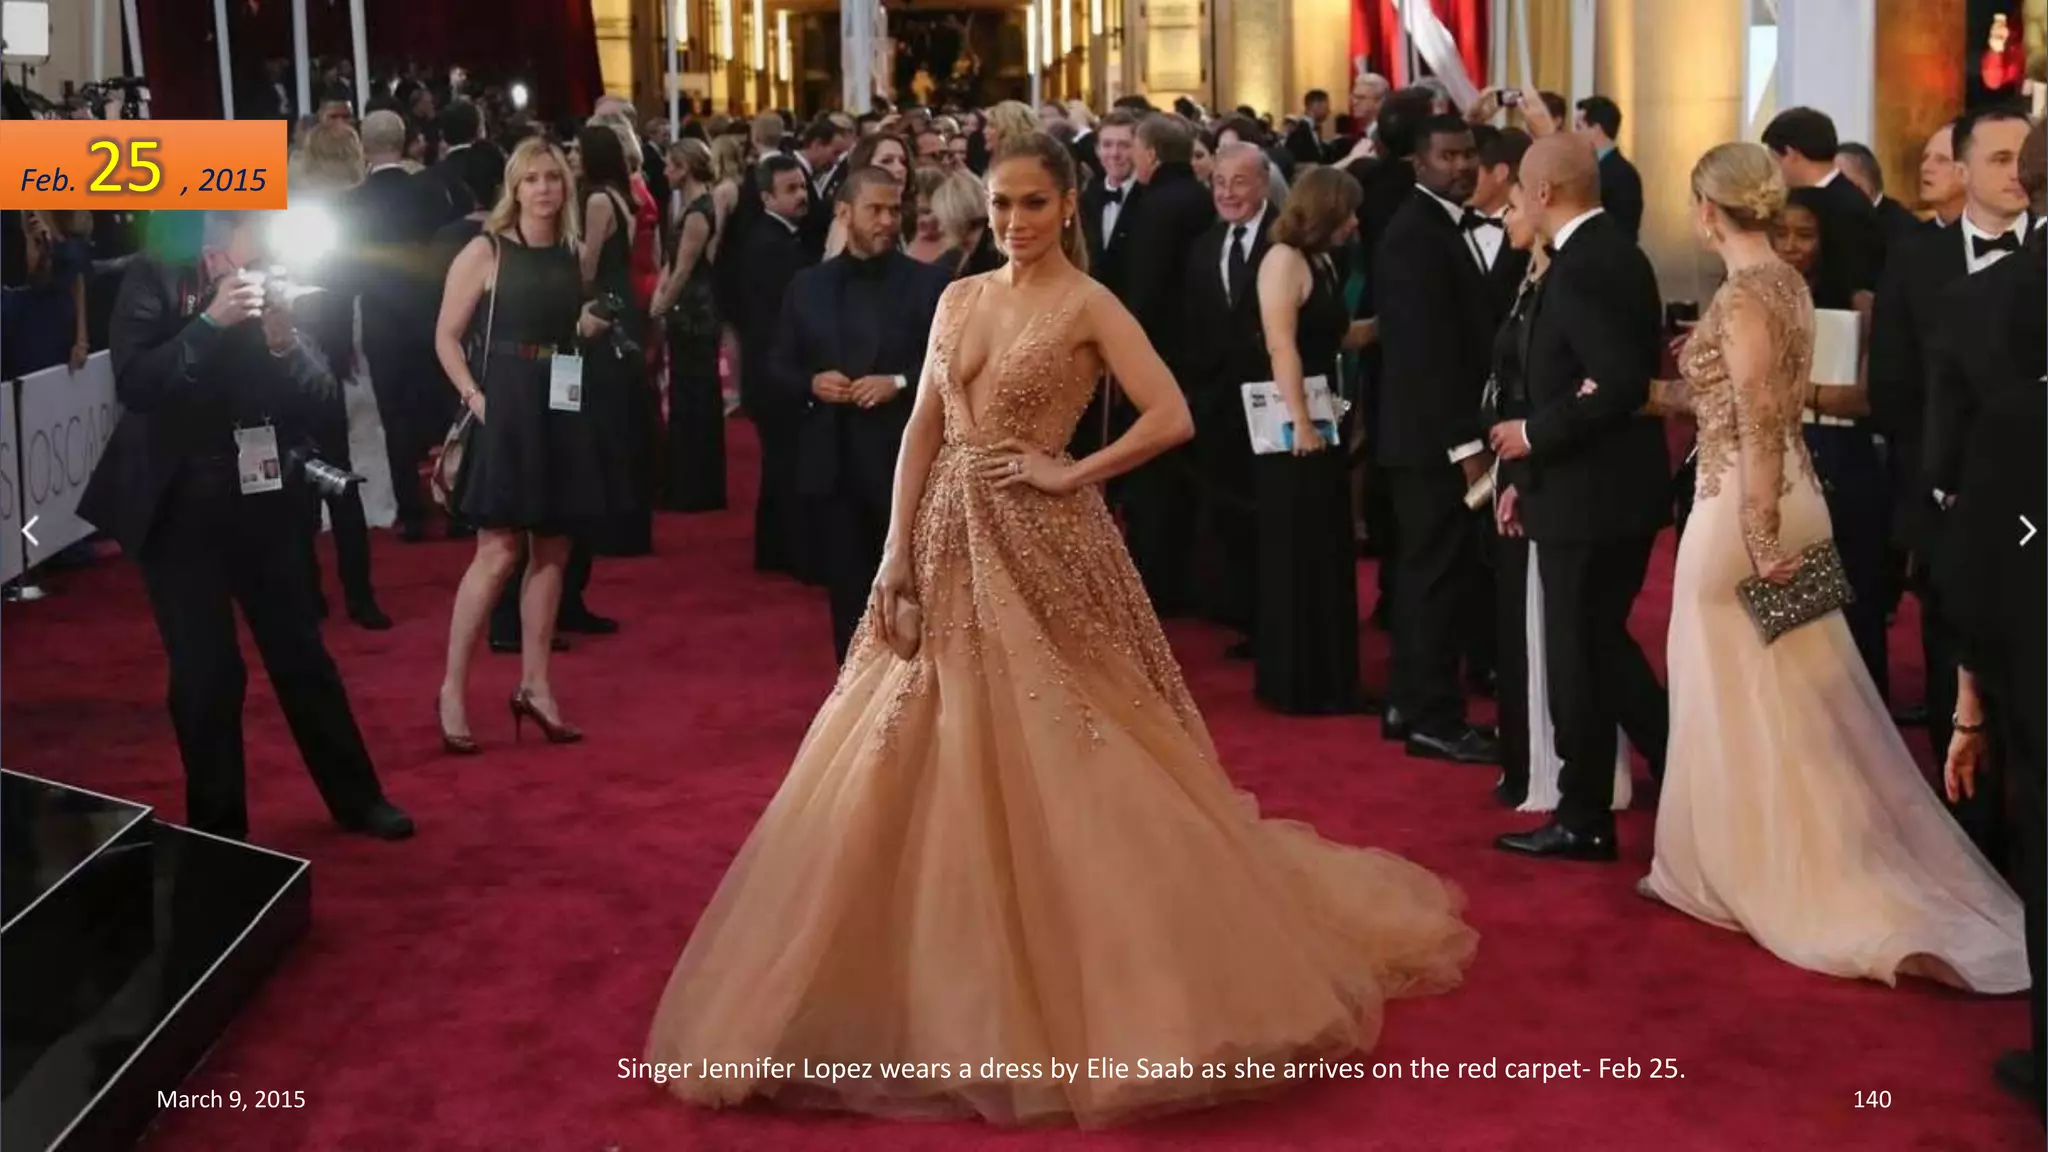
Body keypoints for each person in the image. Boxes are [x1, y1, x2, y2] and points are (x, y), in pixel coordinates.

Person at [645, 131, 1475, 1127]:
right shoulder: (955, 296)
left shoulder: (1088, 303)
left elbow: (1167, 413)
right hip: (947, 534)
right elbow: (922, 429)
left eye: (1031, 203)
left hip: (1046, 541)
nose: (1012, 222)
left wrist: (1069, 471)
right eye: (999, 204)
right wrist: (892, 555)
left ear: (1065, 206)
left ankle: (1099, 980)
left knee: (1072, 733)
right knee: (914, 730)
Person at [1634, 142, 2024, 990]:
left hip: (1744, 510)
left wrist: (1760, 534)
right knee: (1802, 694)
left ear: (1708, 209)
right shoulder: (1789, 286)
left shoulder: (1745, 297)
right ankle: (1795, 851)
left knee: (1735, 692)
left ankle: (1757, 869)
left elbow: (1760, 424)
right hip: (1791, 504)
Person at [76, 210, 413, 842]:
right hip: (178, 506)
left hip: (262, 497)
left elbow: (320, 395)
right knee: (207, 675)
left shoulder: (274, 281)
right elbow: (137, 383)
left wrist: (284, 342)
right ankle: (219, 831)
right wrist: (209, 324)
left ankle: (358, 799)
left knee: (302, 654)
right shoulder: (152, 276)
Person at [1488, 134, 1669, 860]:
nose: (1509, 208)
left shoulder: (1590, 265)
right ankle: (1672, 759)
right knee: (1597, 646)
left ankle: (1584, 812)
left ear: (1541, 193)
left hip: (1593, 497)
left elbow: (1617, 382)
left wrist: (1532, 436)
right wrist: (1523, 475)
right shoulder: (1601, 255)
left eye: (1514, 195)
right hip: (1582, 489)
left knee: (1579, 655)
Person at [434, 137, 615, 752]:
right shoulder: (486, 251)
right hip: (506, 405)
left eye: (553, 178)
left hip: (560, 402)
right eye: (532, 179)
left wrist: (586, 327)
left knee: (553, 550)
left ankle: (536, 687)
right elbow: (446, 338)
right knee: (498, 551)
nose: (543, 189)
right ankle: (453, 689)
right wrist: (475, 398)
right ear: (514, 188)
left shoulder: (570, 252)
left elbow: (563, 329)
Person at [770, 168, 951, 661]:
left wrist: (897, 383)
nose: (889, 220)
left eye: (895, 209)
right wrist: (812, 383)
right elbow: (778, 368)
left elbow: (951, 366)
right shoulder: (807, 287)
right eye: (876, 209)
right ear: (845, 213)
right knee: (848, 598)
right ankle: (854, 705)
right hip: (833, 463)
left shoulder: (930, 284)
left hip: (904, 464)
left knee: (918, 594)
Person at [1247, 167, 1375, 713]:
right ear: (1325, 211)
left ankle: (1329, 677)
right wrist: (1300, 422)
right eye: (1347, 212)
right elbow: (1282, 347)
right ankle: (1297, 681)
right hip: (1293, 429)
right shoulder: (1282, 262)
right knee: (1298, 549)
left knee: (1327, 547)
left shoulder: (1321, 261)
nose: (1354, 222)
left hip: (1323, 416)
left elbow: (1336, 335)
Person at [654, 138, 725, 512]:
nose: (665, 171)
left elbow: (683, 268)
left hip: (694, 312)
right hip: (693, 308)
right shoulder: (696, 205)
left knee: (693, 395)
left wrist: (661, 305)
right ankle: (692, 483)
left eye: (670, 165)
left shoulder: (698, 212)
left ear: (684, 167)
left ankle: (695, 488)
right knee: (691, 393)